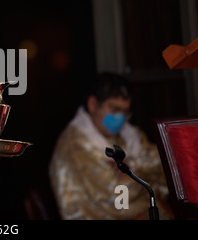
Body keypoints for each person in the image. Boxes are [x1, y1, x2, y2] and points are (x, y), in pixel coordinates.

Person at [49, 72, 171, 220]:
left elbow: (167, 165)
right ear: (93, 104)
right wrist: (147, 175)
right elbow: (119, 198)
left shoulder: (128, 135)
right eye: (114, 109)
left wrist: (133, 168)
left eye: (125, 112)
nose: (120, 118)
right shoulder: (76, 145)